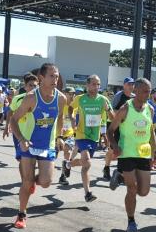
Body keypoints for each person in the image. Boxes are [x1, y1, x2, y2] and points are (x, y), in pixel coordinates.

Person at [9, 64, 66, 229]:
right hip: (29, 144)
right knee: (26, 182)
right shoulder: (31, 98)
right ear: (41, 78)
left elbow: (61, 117)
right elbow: (14, 119)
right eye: (52, 76)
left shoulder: (61, 98)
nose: (55, 79)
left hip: (47, 145)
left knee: (46, 181)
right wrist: (21, 139)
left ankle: (30, 182)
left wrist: (59, 137)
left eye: (57, 76)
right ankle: (21, 213)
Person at [107, 78, 156, 232]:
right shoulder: (125, 109)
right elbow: (110, 131)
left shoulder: (150, 109)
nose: (147, 94)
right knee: (132, 189)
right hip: (127, 153)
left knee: (143, 191)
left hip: (143, 153)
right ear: (135, 91)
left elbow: (150, 131)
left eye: (149, 91)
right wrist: (115, 146)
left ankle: (120, 176)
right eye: (144, 91)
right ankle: (131, 221)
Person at [65, 74, 113, 202]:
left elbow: (113, 118)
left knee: (85, 162)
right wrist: (72, 117)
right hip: (81, 135)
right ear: (87, 85)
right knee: (87, 162)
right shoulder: (80, 99)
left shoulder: (103, 100)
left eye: (98, 84)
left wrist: (108, 110)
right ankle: (88, 193)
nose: (96, 87)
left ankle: (68, 164)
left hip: (94, 137)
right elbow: (70, 108)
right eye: (93, 84)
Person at [103, 77, 134, 181]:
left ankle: (120, 172)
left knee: (125, 149)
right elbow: (113, 111)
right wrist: (123, 116)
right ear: (124, 85)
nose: (131, 86)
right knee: (113, 150)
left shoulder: (134, 97)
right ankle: (106, 167)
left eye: (132, 84)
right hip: (115, 125)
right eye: (129, 84)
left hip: (126, 128)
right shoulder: (119, 96)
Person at [56, 87, 76, 185]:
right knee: (52, 157)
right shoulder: (59, 105)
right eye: (70, 94)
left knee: (67, 152)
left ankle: (63, 176)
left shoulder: (74, 106)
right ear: (64, 94)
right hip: (58, 134)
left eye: (73, 94)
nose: (72, 96)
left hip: (69, 134)